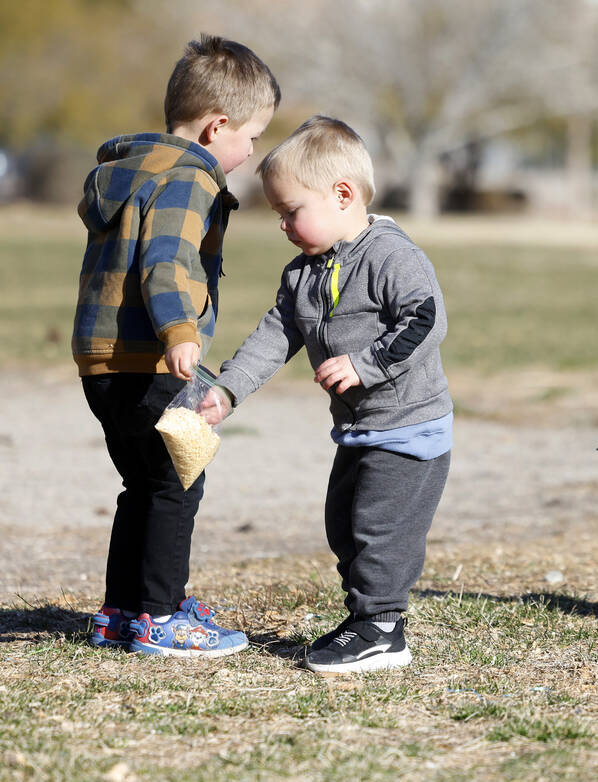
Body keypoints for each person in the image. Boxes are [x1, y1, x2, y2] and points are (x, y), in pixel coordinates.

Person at [203, 116, 453, 673]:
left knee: (377, 528)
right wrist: (228, 391)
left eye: (292, 212)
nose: (285, 226)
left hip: (409, 427)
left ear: (343, 196)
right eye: (279, 215)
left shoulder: (391, 256)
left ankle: (384, 628)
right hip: (360, 429)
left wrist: (367, 365)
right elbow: (275, 335)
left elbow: (426, 320)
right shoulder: (303, 274)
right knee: (342, 523)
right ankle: (364, 618)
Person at [73, 34, 279, 656]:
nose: (252, 150)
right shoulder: (191, 180)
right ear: (218, 127)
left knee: (143, 483)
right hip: (155, 356)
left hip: (101, 363)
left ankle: (121, 610)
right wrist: (180, 333)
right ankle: (160, 618)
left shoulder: (129, 172)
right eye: (252, 135)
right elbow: (165, 262)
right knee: (176, 482)